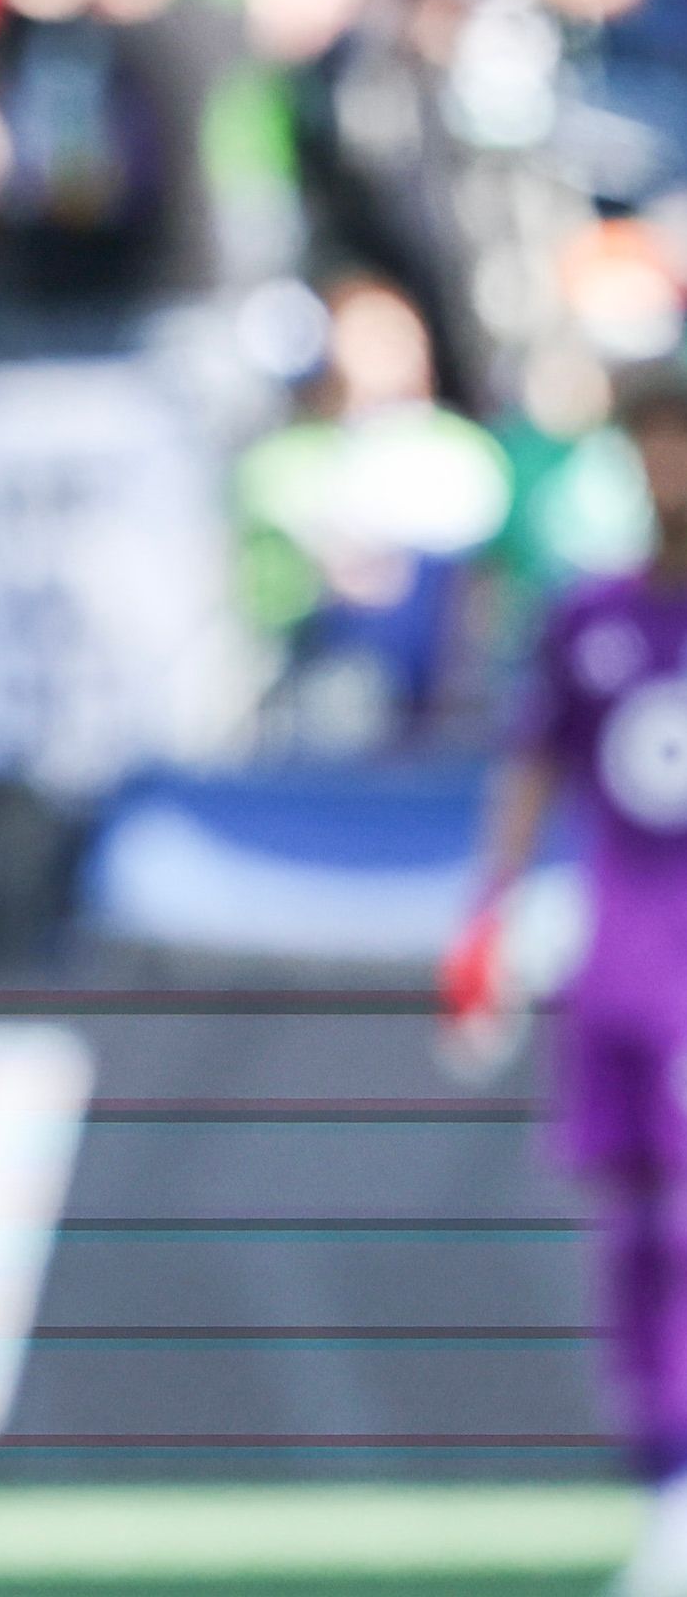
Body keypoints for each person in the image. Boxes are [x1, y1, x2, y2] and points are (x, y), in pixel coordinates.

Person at [448, 363, 687, 1597]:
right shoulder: (591, 617)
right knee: (636, 1238)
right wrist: (486, 916)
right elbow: (530, 769)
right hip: (622, 972)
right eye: (650, 436)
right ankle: (663, 1491)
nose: (667, 462)